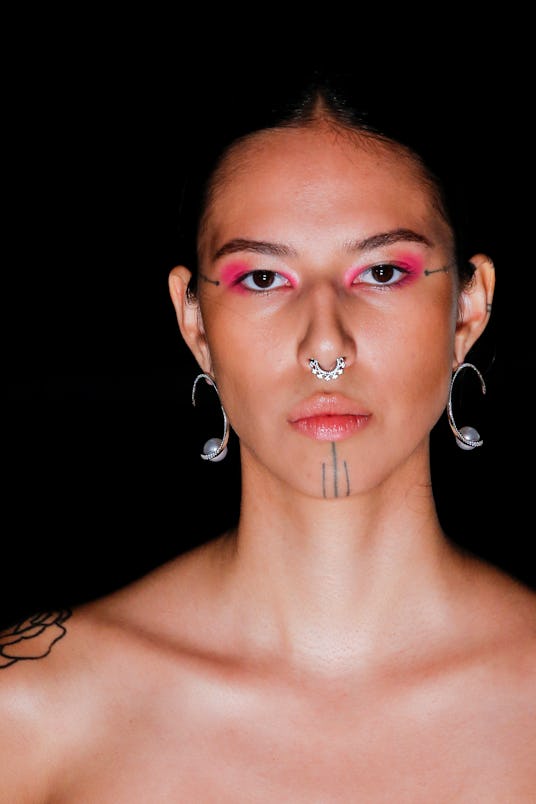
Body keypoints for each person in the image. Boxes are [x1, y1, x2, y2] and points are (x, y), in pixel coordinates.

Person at [1, 69, 535, 801]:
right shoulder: (34, 711)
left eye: (382, 271)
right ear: (194, 323)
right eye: (261, 280)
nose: (325, 345)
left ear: (469, 310)